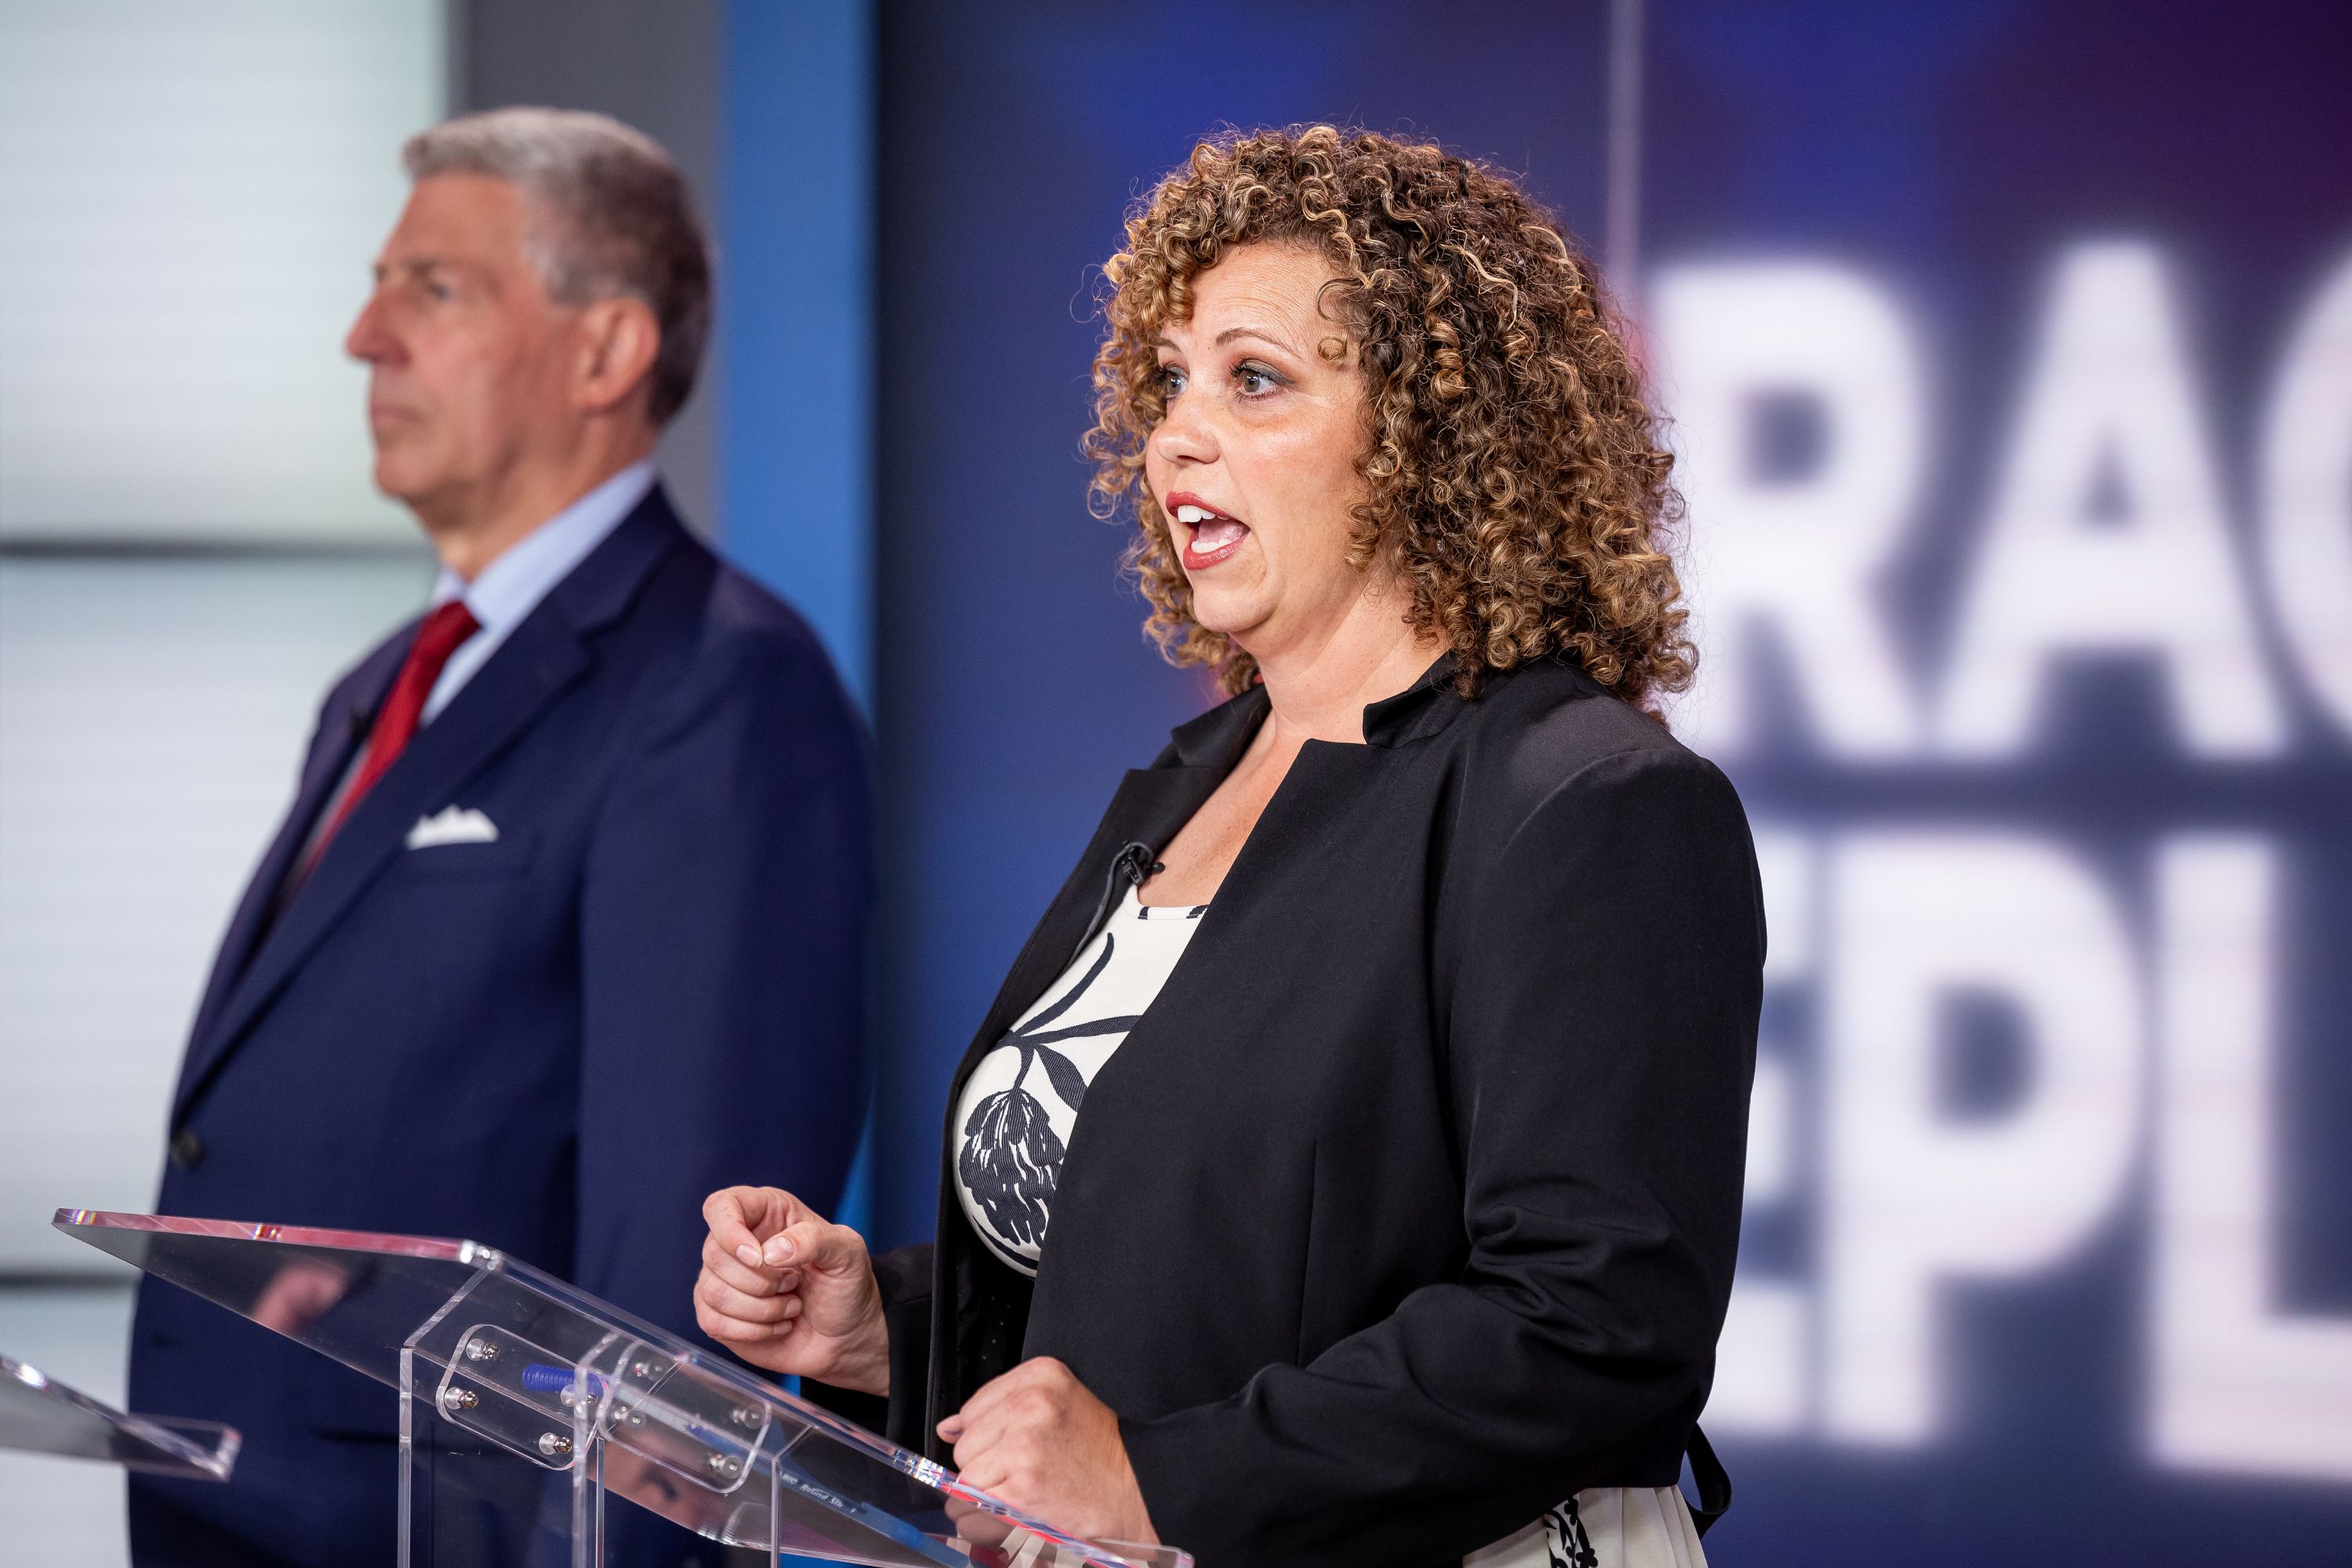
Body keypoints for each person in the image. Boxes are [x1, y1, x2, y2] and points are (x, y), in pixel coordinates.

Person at [694, 125, 1763, 1568]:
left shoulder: (1588, 804)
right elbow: (1175, 1255)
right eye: (1170, 382)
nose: (1177, 435)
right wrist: (889, 1327)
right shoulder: (1186, 779)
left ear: (1433, 440)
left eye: (1254, 380)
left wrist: (1161, 1477)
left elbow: (1593, 1329)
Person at [127, 108, 872, 1566]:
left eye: (434, 290)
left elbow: (682, 1291)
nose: (363, 336)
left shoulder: (722, 686)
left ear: (607, 353)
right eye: (378, 284)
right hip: (235, 1511)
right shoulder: (383, 686)